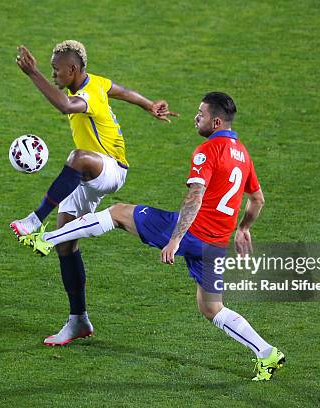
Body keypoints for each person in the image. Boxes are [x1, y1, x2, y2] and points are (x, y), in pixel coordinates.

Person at [21, 92, 285, 381]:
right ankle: (265, 352)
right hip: (216, 243)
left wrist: (175, 239)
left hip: (192, 232)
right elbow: (257, 199)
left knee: (119, 213)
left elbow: (195, 197)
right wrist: (244, 228)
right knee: (212, 308)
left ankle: (49, 238)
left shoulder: (207, 151)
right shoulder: (243, 154)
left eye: (202, 113)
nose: (197, 116)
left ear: (217, 121)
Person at [10, 40, 178, 346]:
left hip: (111, 169)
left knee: (77, 157)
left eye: (56, 70)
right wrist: (149, 104)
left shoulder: (87, 95)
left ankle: (35, 221)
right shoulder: (95, 82)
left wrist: (32, 74)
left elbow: (63, 106)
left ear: (73, 69)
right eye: (49, 70)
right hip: (89, 176)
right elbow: (123, 91)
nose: (53, 74)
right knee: (65, 245)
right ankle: (78, 321)